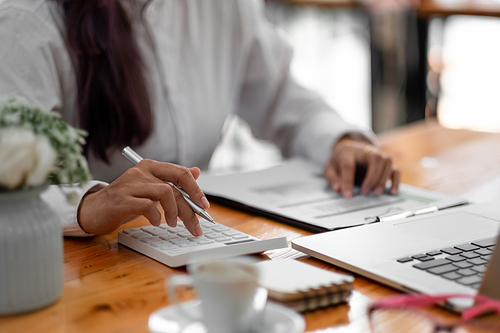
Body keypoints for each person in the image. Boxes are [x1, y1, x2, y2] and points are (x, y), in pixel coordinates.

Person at [0, 0, 400, 237]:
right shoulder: (25, 20)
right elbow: (8, 190)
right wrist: (91, 202)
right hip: (77, 273)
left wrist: (342, 141)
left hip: (185, 252)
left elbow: (286, 100)